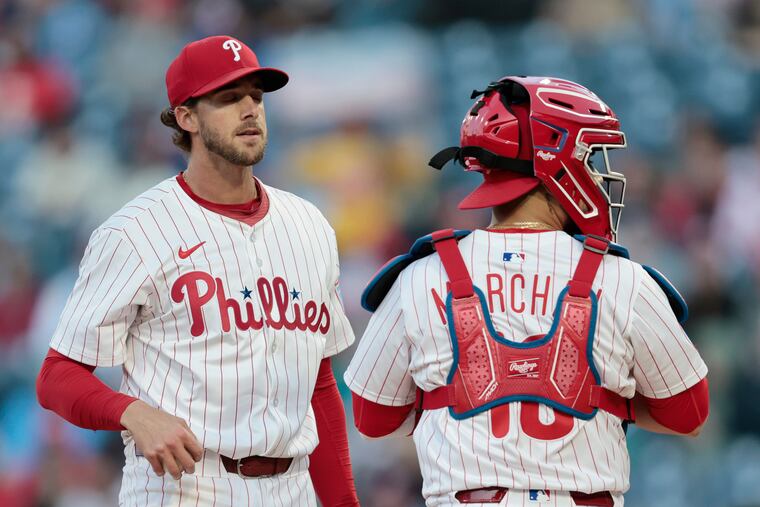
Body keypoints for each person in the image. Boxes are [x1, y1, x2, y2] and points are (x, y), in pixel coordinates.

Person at [344, 76, 709, 507]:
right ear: (556, 160)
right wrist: (608, 401)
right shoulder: (622, 278)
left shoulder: (420, 276)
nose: (596, 174)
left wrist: (452, 400)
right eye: (589, 157)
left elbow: (373, 418)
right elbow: (689, 413)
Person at [36, 35, 359, 507]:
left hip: (294, 485)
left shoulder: (309, 225)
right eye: (228, 98)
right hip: (185, 485)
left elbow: (319, 383)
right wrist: (132, 413)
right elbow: (57, 375)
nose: (249, 110)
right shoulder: (135, 232)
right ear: (186, 117)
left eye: (256, 96)